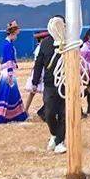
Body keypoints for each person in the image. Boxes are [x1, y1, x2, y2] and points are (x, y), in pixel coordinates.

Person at [31, 16, 67, 153]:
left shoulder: (69, 42)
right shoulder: (45, 44)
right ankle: (54, 135)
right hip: (50, 84)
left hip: (65, 84)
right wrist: (35, 82)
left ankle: (59, 141)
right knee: (49, 113)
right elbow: (38, 63)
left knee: (65, 114)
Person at [0, 21, 27, 123]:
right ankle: (3, 115)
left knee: (10, 92)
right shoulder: (7, 45)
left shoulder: (8, 44)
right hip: (8, 72)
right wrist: (10, 72)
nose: (16, 37)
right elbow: (8, 59)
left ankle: (13, 114)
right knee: (6, 92)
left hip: (8, 71)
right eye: (16, 34)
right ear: (12, 34)